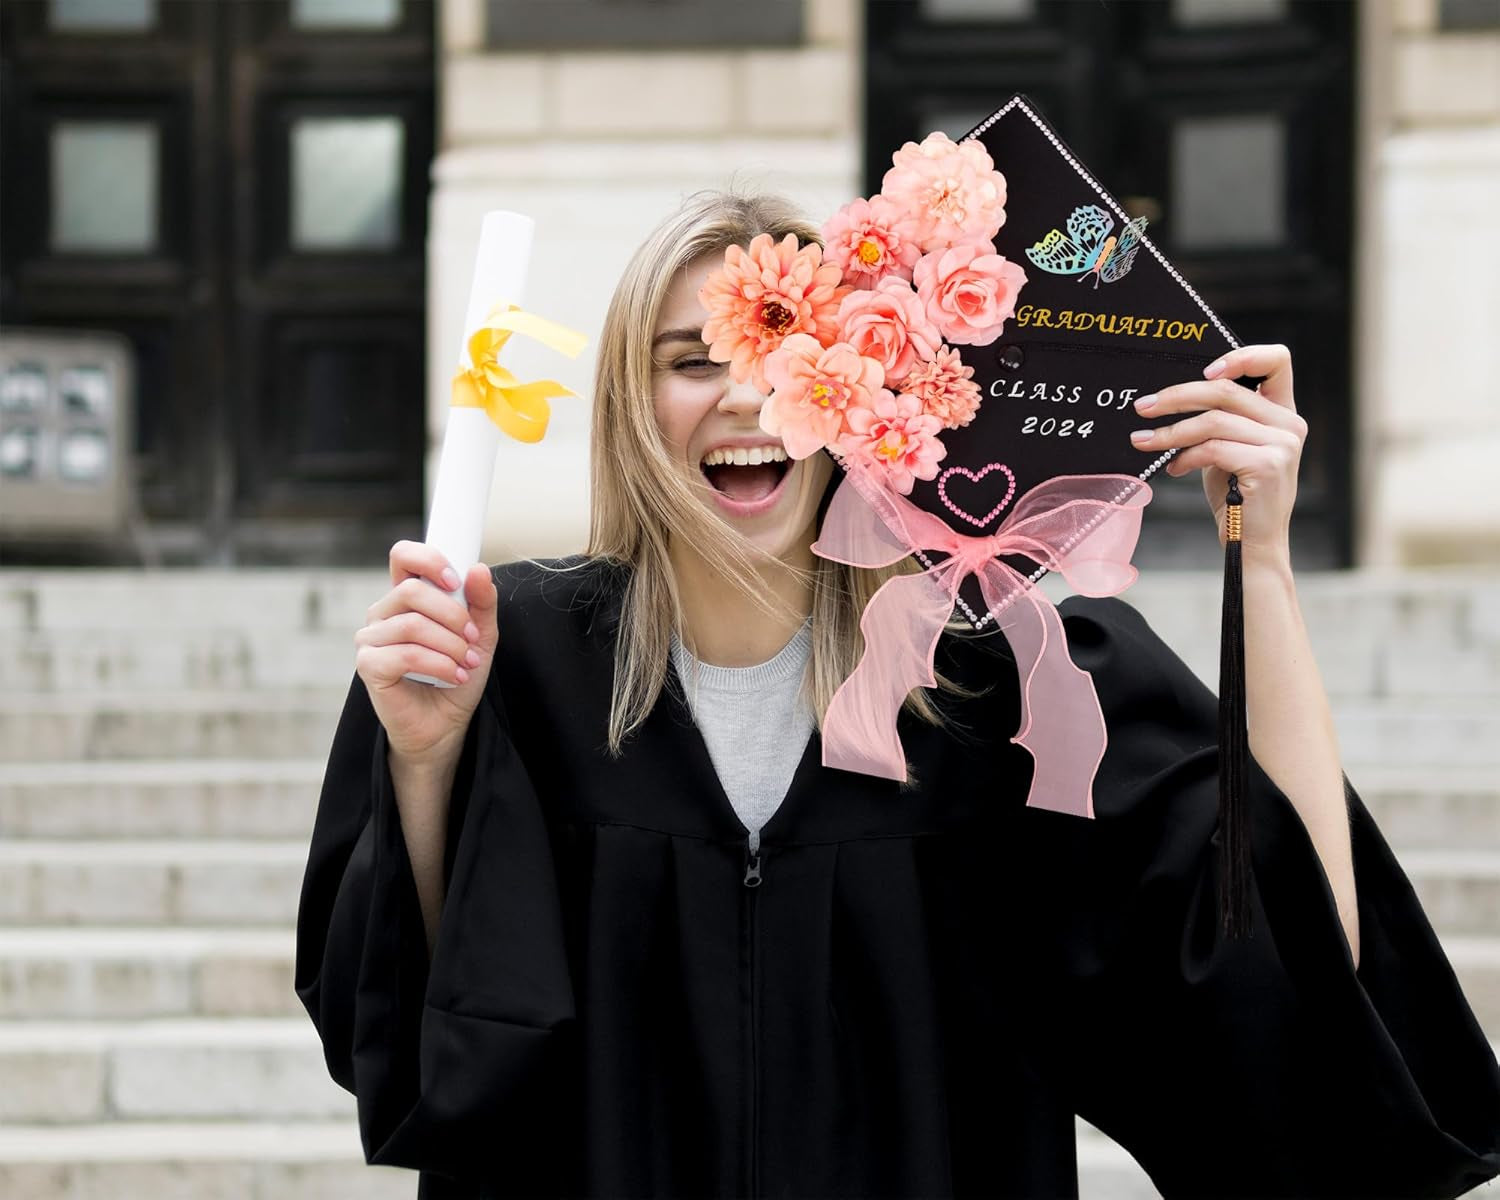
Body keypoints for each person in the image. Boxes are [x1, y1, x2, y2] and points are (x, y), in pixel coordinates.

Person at [296, 191, 1500, 1199]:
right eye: (690, 360)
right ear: (629, 404)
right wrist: (422, 760)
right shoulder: (509, 662)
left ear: (858, 399)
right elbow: (415, 1045)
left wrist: (1266, 562)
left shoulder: (1003, 683)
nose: (741, 396)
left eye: (784, 354)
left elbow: (1299, 978)